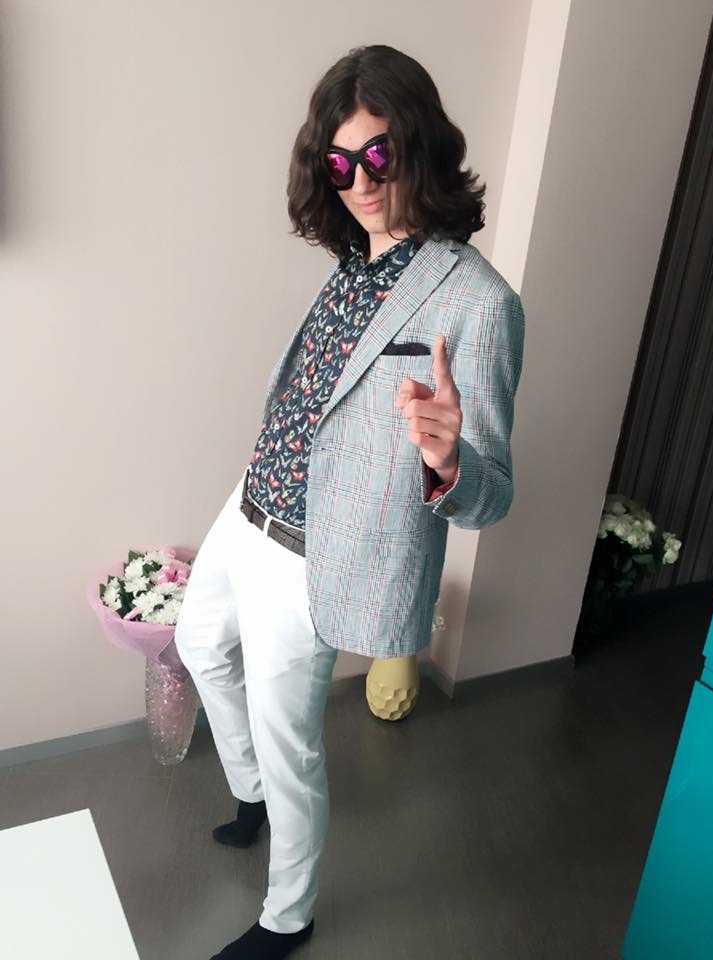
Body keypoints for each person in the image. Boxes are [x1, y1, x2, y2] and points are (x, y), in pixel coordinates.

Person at [174, 42, 525, 960]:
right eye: (340, 164)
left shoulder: (479, 304)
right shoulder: (354, 261)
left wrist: (448, 461)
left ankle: (288, 915)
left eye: (378, 156)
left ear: (420, 146)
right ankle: (248, 792)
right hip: (250, 504)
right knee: (197, 642)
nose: (361, 183)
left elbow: (492, 495)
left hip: (315, 555)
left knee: (291, 744)